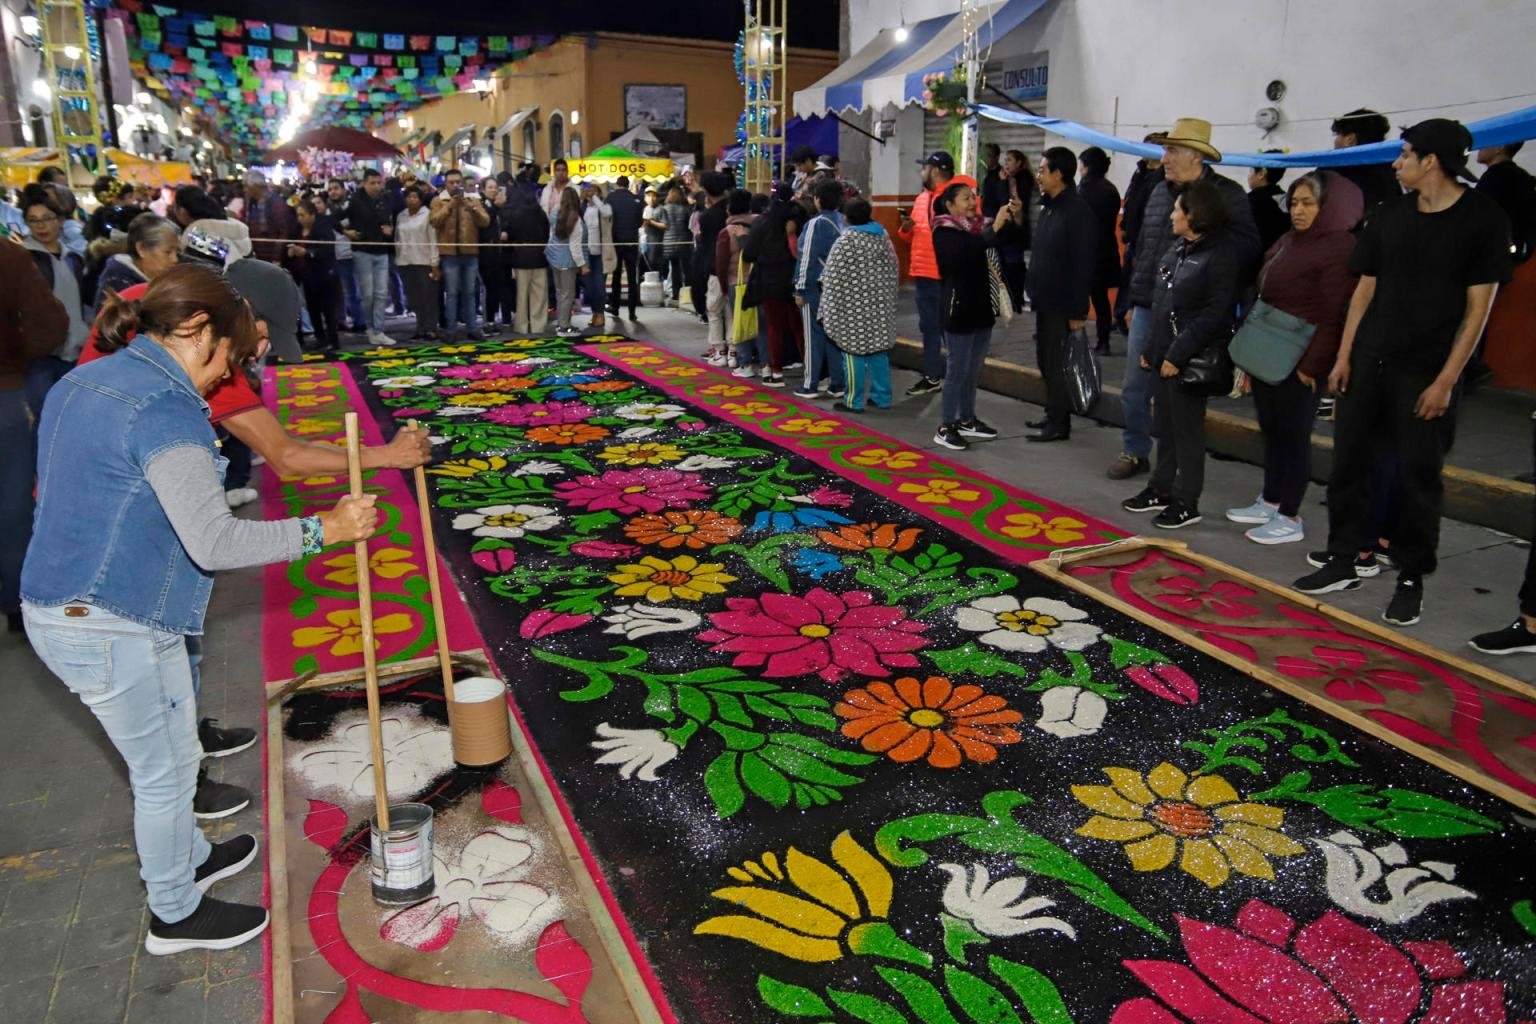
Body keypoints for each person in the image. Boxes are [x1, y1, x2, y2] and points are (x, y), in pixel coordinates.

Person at [22, 264, 381, 955]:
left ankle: (186, 857)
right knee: (161, 775)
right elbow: (214, 540)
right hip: (101, 616)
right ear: (196, 332)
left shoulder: (88, 375)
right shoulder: (164, 410)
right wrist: (324, 531)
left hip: (105, 602)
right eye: (230, 359)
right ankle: (175, 913)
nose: (227, 379)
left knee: (178, 753)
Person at [1292, 119, 1511, 626]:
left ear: (1431, 160)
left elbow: (1478, 311)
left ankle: (1410, 575)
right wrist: (1345, 356)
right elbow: (1364, 289)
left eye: (1405, 153)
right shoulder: (1390, 214)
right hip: (1370, 359)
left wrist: (1446, 381)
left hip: (1427, 370)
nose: (1396, 162)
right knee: (1349, 464)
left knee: (1418, 477)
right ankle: (1343, 557)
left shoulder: (1483, 219)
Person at [1111, 118, 1259, 481]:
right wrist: (1132, 299)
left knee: (1181, 397)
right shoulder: (1159, 191)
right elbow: (1143, 248)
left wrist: (1206, 259)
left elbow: (1248, 251)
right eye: (1164, 149)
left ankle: (1177, 476)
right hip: (1150, 304)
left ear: (1196, 156)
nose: (1165, 157)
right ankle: (1135, 450)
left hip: (1195, 314)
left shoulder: (1227, 195)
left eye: (1172, 150)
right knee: (1135, 387)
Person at [1226, 172, 1363, 545]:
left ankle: (1289, 515)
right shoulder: (1291, 238)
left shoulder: (1339, 246)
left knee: (1294, 435)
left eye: (1309, 203)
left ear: (1328, 207)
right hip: (1271, 349)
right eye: (1295, 203)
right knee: (1272, 430)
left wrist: (1312, 365)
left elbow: (1333, 313)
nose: (1299, 210)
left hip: (1301, 359)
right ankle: (1271, 499)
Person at [1121, 181, 1240, 529]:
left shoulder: (1220, 255)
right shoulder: (1178, 250)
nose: (1172, 215)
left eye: (1177, 210)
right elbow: (1161, 305)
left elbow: (1213, 314)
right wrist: (1152, 350)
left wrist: (1176, 354)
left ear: (1194, 216)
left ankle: (1187, 500)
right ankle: (1161, 488)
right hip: (1165, 356)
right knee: (1165, 428)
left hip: (1190, 360)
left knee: (1187, 433)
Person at [1, 238, 68, 635]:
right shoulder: (8, 257)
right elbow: (50, 327)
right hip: (6, 394)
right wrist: (16, 359)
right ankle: (18, 604)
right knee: (12, 507)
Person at [930, 181, 1016, 451]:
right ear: (950, 204)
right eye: (965, 198)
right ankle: (946, 426)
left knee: (973, 370)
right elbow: (963, 256)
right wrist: (994, 229)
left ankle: (967, 418)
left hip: (982, 307)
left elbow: (1001, 242)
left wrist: (1013, 219)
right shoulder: (944, 231)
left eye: (973, 197)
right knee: (957, 370)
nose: (972, 202)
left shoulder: (980, 227)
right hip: (959, 310)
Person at [1025, 147, 1097, 443]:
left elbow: (1083, 265)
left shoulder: (1077, 212)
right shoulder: (1049, 207)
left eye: (1043, 170)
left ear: (1059, 174)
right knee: (1046, 360)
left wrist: (1078, 312)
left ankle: (1059, 423)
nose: (1039, 176)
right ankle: (1052, 413)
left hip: (1063, 303)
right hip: (1044, 300)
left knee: (1058, 363)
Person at [899, 151, 978, 396]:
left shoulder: (956, 198)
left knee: (951, 331)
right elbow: (908, 235)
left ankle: (958, 380)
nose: (921, 172)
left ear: (933, 171)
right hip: (924, 274)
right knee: (929, 328)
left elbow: (970, 229)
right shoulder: (922, 199)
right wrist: (906, 228)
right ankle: (932, 375)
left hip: (946, 275)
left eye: (924, 168)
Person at [818, 198, 898, 414]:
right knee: (878, 351)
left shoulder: (846, 241)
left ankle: (853, 400)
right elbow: (894, 269)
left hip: (852, 310)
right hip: (879, 306)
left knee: (852, 351)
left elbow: (831, 278)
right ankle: (882, 397)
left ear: (846, 217)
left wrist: (829, 306)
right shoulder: (883, 236)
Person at [20, 184, 89, 416]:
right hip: (39, 355)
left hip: (75, 350)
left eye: (47, 218)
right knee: (46, 416)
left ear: (60, 221)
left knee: (73, 416)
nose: (41, 226)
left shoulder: (74, 258)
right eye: (33, 220)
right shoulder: (22, 258)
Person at [741, 183, 805, 388]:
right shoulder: (800, 217)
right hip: (796, 279)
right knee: (799, 327)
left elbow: (749, 253)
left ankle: (775, 372)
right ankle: (811, 370)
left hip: (769, 280)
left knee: (774, 327)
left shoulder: (763, 221)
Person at [793, 179, 847, 399]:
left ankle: (810, 384)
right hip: (837, 288)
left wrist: (800, 288)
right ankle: (837, 383)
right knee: (833, 336)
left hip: (816, 287)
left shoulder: (816, 223)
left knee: (813, 337)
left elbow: (806, 258)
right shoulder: (843, 222)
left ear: (817, 199)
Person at [430, 168, 490, 342]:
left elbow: (485, 221)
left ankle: (472, 328)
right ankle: (451, 330)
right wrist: (450, 206)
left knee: (470, 293)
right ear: (446, 184)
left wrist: (471, 207)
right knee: (452, 293)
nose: (455, 185)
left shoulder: (473, 200)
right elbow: (434, 221)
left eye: (458, 182)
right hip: (449, 254)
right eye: (451, 182)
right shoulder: (438, 201)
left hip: (470, 253)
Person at [340, 169, 396, 348]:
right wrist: (346, 232)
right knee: (368, 295)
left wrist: (389, 230)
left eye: (379, 182)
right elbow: (335, 218)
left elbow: (389, 220)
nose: (376, 186)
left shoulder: (384, 199)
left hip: (382, 252)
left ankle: (379, 330)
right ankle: (370, 328)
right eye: (372, 183)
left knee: (381, 293)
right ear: (364, 183)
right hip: (362, 252)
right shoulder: (355, 200)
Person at [1115, 139, 1164, 333]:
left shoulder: (1160, 179)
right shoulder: (1140, 173)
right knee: (1127, 279)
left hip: (1146, 241)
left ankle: (1131, 319)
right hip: (1134, 237)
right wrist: (1125, 226)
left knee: (1138, 280)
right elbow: (1131, 203)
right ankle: (1121, 316)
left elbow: (1149, 212)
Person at [1077, 147, 1122, 355]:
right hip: (1106, 249)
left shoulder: (1082, 190)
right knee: (1101, 298)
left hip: (1085, 250)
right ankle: (1103, 341)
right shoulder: (1111, 189)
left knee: (1077, 296)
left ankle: (1074, 338)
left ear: (1086, 166)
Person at [285, 199, 343, 354]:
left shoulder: (323, 227)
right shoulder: (297, 229)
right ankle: (320, 338)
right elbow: (289, 243)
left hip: (325, 274)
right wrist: (290, 251)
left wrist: (308, 253)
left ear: (312, 215)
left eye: (303, 215)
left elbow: (328, 250)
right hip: (306, 275)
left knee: (328, 310)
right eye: (298, 215)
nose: (300, 218)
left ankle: (333, 340)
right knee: (313, 309)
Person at [979, 149, 1033, 312]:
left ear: (1019, 163)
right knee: (1002, 265)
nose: (1006, 164)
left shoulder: (1022, 180)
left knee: (1013, 265)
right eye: (1005, 160)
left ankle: (1015, 301)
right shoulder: (1000, 178)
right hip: (1003, 230)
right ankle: (1006, 301)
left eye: (1010, 160)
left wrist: (1002, 183)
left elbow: (1007, 204)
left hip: (1014, 230)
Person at [716, 190, 759, 377]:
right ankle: (765, 364)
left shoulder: (727, 232)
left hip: (737, 282)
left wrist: (724, 287)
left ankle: (745, 363)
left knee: (740, 324)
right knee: (761, 325)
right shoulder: (759, 224)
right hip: (759, 281)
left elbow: (721, 263)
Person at [95, 213, 181, 306]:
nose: (175, 259)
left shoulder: (160, 281)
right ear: (142, 249)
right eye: (168, 252)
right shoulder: (119, 286)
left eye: (177, 252)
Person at [1331, 109, 1401, 222]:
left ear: (1350, 139)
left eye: (1338, 134)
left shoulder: (1332, 171)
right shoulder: (1395, 170)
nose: (1335, 141)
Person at [395, 186, 440, 342]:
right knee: (414, 298)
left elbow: (433, 239)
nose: (411, 199)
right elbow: (397, 239)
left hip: (424, 261)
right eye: (409, 196)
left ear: (421, 199)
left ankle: (431, 328)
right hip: (406, 262)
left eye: (415, 197)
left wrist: (435, 263)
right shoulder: (401, 215)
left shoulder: (427, 215)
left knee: (428, 297)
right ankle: (419, 327)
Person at [1476, 143, 1535, 264]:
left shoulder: (1494, 177)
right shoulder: (1523, 177)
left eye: (1485, 142)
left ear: (1499, 147)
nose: (1479, 147)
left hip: (1495, 261)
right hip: (1518, 260)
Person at [694, 172, 731, 359]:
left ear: (707, 191)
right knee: (730, 310)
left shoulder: (707, 216)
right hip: (734, 266)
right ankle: (733, 350)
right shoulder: (731, 210)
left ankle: (719, 349)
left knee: (714, 309)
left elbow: (705, 245)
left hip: (715, 266)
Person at [505, 189, 550, 336]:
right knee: (539, 295)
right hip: (539, 257)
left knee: (521, 294)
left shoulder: (515, 214)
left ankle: (521, 325)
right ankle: (538, 325)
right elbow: (546, 233)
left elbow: (510, 234)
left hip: (520, 258)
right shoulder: (540, 213)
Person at [546, 187, 588, 337]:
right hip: (568, 261)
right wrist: (582, 264)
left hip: (554, 259)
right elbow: (575, 246)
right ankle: (564, 327)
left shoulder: (555, 213)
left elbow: (551, 236)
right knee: (567, 295)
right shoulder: (576, 219)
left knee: (560, 293)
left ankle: (561, 323)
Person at [327, 179, 365, 332]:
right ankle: (342, 320)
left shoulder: (352, 205)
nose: (333, 192)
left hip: (352, 252)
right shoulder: (328, 209)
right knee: (340, 292)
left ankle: (360, 321)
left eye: (336, 188)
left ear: (343, 189)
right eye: (330, 189)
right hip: (336, 255)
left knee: (355, 290)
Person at [478, 177, 513, 332]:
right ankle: (487, 322)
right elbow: (485, 223)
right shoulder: (480, 204)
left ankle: (493, 320)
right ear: (483, 189)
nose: (493, 190)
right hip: (486, 253)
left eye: (495, 187)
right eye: (490, 187)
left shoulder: (499, 206)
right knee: (488, 289)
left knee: (497, 289)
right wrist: (496, 207)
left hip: (499, 253)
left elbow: (504, 222)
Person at [606, 175, 644, 319]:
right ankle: (632, 312)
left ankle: (615, 307)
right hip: (632, 242)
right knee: (631, 276)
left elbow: (607, 219)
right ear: (628, 185)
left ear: (617, 184)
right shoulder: (637, 200)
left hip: (616, 241)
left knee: (616, 276)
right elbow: (640, 222)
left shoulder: (610, 198)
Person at [241, 170, 295, 265]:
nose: (244, 189)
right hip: (255, 254)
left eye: (246, 186)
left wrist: (276, 258)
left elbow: (283, 232)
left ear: (255, 185)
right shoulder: (249, 202)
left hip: (271, 257)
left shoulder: (276, 203)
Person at [580, 181, 614, 331]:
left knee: (599, 284)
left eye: (595, 191)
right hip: (585, 252)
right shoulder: (582, 208)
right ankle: (595, 312)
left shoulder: (604, 207)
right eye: (589, 191)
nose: (591, 193)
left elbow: (607, 213)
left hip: (600, 252)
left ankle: (600, 313)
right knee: (589, 286)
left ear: (600, 193)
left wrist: (596, 199)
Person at [651, 184, 692, 303]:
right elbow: (689, 226)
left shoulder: (664, 208)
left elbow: (656, 222)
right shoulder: (685, 209)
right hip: (683, 242)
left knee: (674, 269)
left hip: (668, 244)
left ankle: (675, 293)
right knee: (686, 268)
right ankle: (688, 292)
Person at [1247, 156, 1291, 255]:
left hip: (1257, 258)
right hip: (1281, 255)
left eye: (1250, 171)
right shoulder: (1286, 197)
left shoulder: (1251, 200)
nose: (1248, 176)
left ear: (1261, 174)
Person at [640, 185, 664, 276]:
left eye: (653, 196)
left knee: (655, 266)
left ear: (657, 197)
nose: (651, 198)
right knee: (646, 265)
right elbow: (645, 223)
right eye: (648, 196)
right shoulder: (645, 209)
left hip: (657, 243)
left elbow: (665, 226)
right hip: (646, 242)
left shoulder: (661, 209)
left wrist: (651, 222)